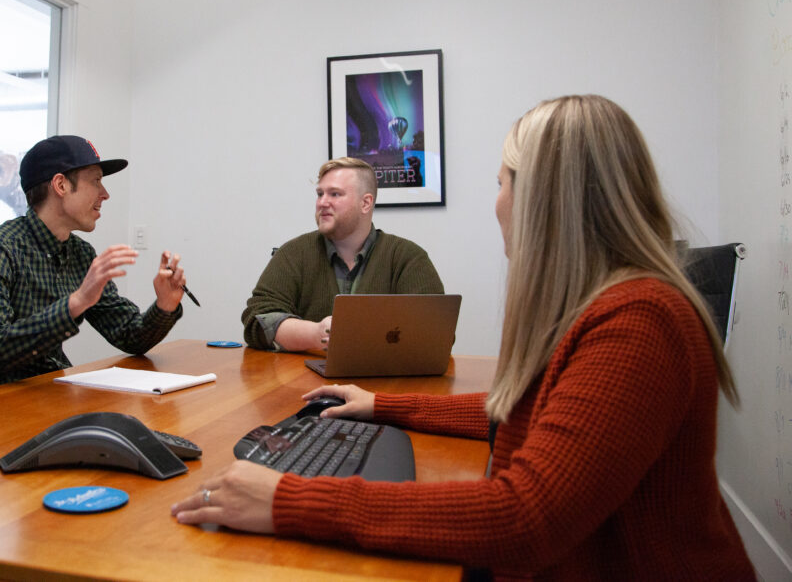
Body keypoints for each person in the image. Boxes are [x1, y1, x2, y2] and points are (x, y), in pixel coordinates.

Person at [173, 96, 754, 580]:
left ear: (544, 198)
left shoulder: (637, 322)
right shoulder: (603, 305)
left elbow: (523, 518)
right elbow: (526, 413)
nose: (496, 202)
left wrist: (287, 500)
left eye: (501, 183)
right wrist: (382, 405)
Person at [0, 135, 187, 394]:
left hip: (48, 394)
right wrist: (75, 303)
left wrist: (165, 305)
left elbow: (129, 335)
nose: (105, 194)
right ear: (60, 185)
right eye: (96, 181)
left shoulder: (80, 254)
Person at [241, 157, 444, 352]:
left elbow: (437, 333)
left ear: (365, 203)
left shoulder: (408, 258)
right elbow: (256, 320)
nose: (322, 202)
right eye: (320, 194)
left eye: (335, 194)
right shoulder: (293, 254)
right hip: (306, 382)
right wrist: (316, 334)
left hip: (383, 383)